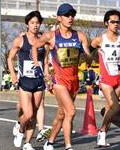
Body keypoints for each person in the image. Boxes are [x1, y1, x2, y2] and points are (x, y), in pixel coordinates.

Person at [32, 3, 91, 150]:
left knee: (61, 114)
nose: (70, 17)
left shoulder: (80, 36)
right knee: (71, 111)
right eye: (66, 15)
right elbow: (34, 47)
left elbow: (89, 58)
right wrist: (37, 65)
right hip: (59, 80)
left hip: (74, 80)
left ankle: (50, 141)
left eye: (72, 15)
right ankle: (68, 146)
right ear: (59, 18)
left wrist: (86, 55)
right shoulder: (51, 36)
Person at [8, 11, 48, 150]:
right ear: (27, 24)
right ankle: (20, 129)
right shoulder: (20, 40)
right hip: (25, 81)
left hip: (38, 81)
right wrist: (13, 75)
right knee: (29, 113)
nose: (35, 25)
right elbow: (9, 58)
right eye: (32, 23)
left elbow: (46, 59)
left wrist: (47, 74)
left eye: (37, 23)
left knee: (34, 115)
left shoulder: (43, 40)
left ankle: (27, 143)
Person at [90, 9, 120, 146]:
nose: (116, 24)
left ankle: (102, 136)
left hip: (118, 78)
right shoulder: (100, 39)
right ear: (106, 23)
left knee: (110, 109)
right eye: (113, 21)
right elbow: (88, 51)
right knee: (115, 108)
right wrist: (88, 64)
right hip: (106, 80)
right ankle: (102, 131)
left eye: (118, 21)